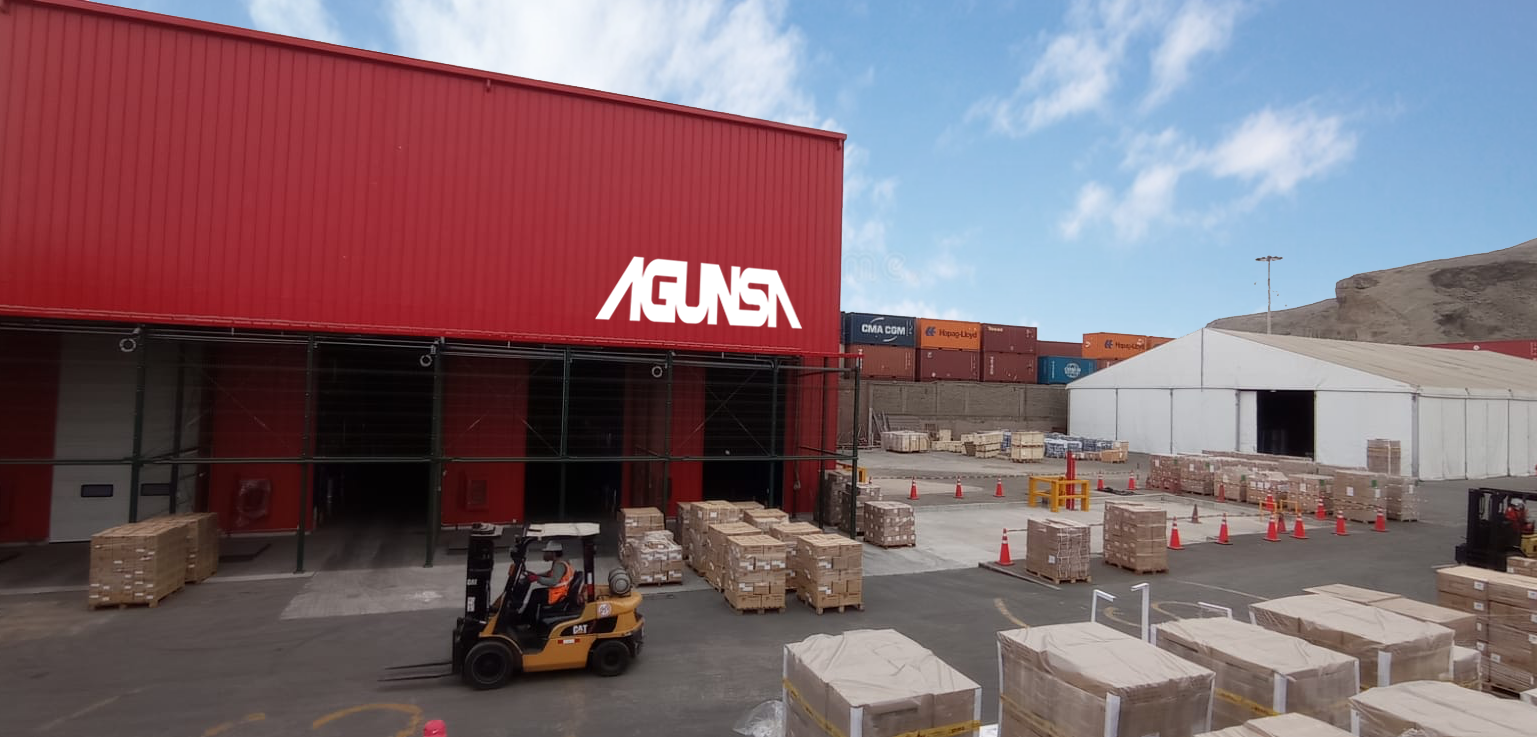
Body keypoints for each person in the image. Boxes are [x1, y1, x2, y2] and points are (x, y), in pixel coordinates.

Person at [518, 540, 574, 629]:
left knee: (535, 596)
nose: (544, 554)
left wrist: (537, 578)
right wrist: (536, 575)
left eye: (546, 552)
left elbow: (553, 581)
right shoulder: (559, 561)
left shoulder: (559, 565)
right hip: (559, 591)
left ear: (553, 553)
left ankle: (529, 622)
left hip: (558, 594)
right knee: (535, 592)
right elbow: (550, 573)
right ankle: (526, 619)